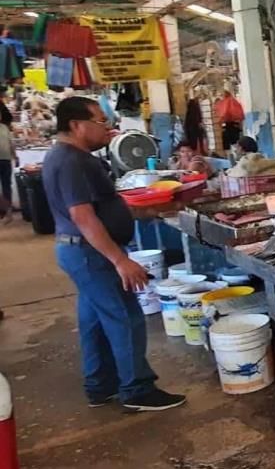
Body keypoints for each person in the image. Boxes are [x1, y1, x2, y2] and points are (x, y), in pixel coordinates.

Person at [42, 96, 186, 412]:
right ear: (77, 125)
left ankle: (100, 386)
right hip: (91, 254)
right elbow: (83, 216)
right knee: (125, 318)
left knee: (94, 320)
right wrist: (120, 260)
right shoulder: (71, 161)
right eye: (100, 121)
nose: (108, 128)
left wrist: (144, 212)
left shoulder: (69, 158)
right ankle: (137, 389)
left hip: (81, 251)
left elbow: (99, 208)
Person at [0, 100, 13, 223]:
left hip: (6, 159)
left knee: (6, 185)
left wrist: (15, 156)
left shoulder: (4, 127)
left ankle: (8, 211)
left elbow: (10, 143)